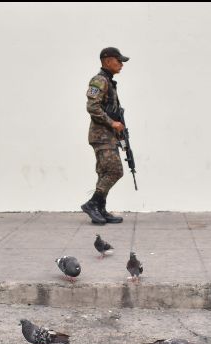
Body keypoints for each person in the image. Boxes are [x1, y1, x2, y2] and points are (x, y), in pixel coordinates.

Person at [80, 47, 130, 225]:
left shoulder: (109, 81)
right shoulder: (99, 80)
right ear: (107, 60)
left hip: (108, 136)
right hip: (101, 136)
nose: (121, 64)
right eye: (119, 60)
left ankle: (100, 209)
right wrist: (112, 123)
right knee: (115, 170)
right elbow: (92, 107)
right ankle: (92, 204)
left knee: (104, 173)